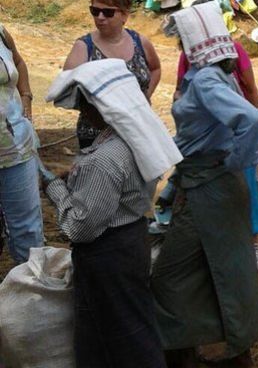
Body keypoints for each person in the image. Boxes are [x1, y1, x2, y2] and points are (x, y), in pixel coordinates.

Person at [42, 59, 178, 368]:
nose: (81, 110)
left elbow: (80, 228)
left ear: (96, 107)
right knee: (124, 325)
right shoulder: (136, 138)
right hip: (132, 240)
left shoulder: (102, 161)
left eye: (84, 103)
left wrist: (55, 190)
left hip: (108, 255)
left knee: (121, 335)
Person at [152, 2, 258, 368]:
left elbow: (249, 119)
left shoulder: (203, 80)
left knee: (170, 276)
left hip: (209, 186)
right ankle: (225, 350)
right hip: (210, 183)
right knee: (224, 269)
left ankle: (183, 350)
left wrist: (234, 162)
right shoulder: (214, 74)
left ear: (192, 41)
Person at [175, 30, 258, 271]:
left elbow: (249, 90)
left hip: (229, 141)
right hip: (210, 142)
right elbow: (180, 88)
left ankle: (251, 244)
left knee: (246, 190)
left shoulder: (229, 54)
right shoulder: (191, 58)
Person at [63, 0, 161, 148]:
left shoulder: (140, 42)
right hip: (97, 136)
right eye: (95, 11)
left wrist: (146, 96)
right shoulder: (83, 47)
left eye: (108, 12)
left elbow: (155, 68)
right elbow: (67, 86)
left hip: (137, 130)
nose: (100, 17)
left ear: (124, 15)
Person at [0, 22, 43, 264]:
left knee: (27, 230)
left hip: (16, 149)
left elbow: (18, 63)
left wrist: (26, 98)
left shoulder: (1, 32)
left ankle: (30, 293)